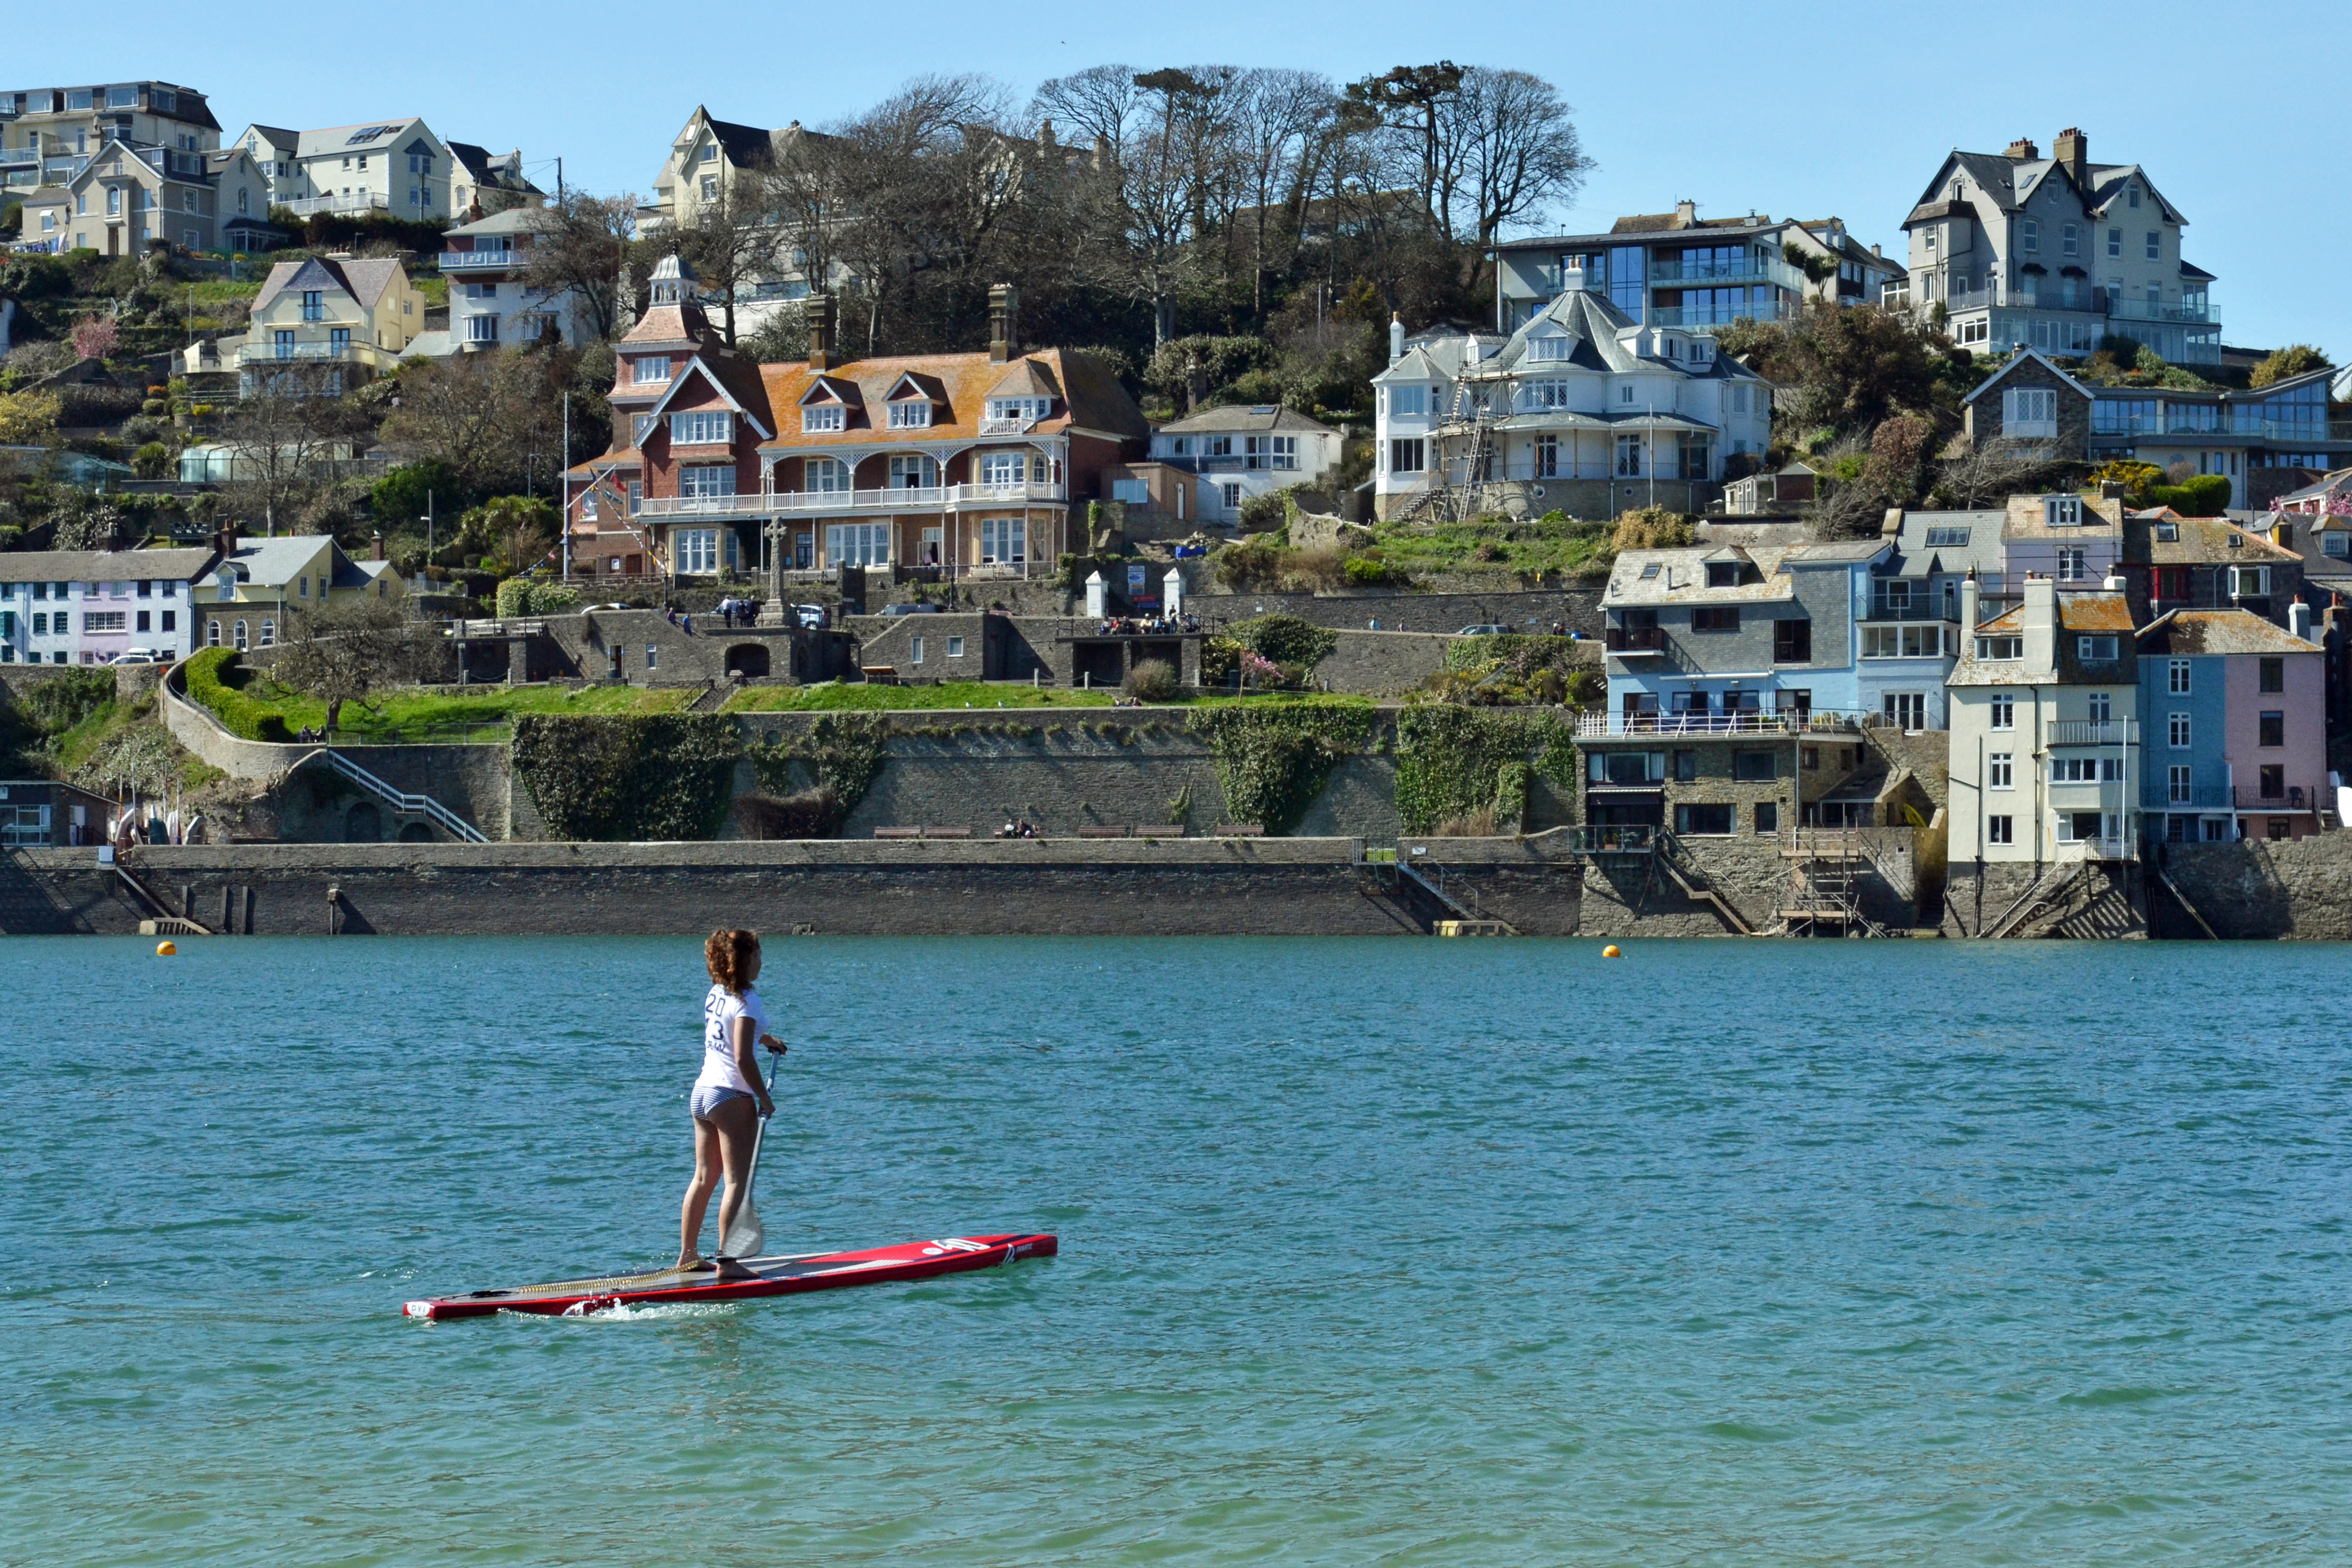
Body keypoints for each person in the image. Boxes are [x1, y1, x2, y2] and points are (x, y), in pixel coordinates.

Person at [678, 929, 786, 1277]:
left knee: (704, 1178)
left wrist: (767, 1039)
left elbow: (731, 1033)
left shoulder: (717, 993)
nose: (761, 962)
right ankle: (729, 1262)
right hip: (731, 1097)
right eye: (756, 956)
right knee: (736, 1182)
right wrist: (764, 1098)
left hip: (703, 1093)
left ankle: (689, 1256)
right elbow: (742, 1057)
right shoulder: (749, 1000)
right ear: (743, 961)